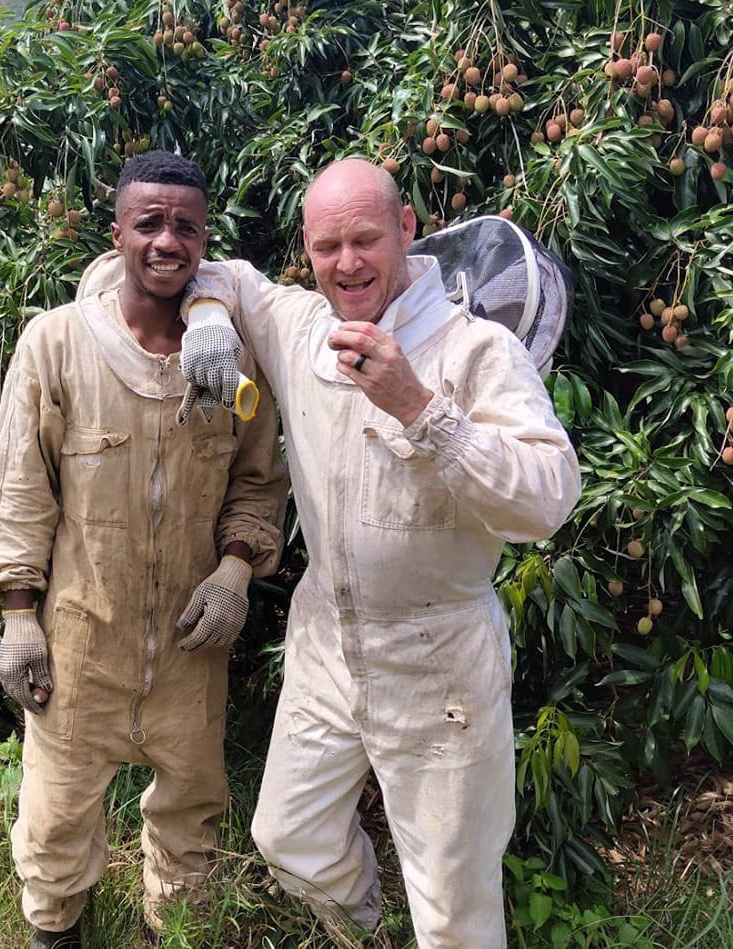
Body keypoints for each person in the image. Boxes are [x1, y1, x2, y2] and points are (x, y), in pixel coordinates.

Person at [84, 158, 581, 948]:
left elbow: (550, 496)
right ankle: (369, 934)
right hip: (326, 644)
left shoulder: (474, 348)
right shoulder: (301, 325)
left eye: (364, 239)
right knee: (290, 836)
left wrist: (422, 410)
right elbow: (195, 269)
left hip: (439, 656)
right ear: (307, 252)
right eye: (326, 246)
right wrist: (210, 316)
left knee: (453, 902)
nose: (346, 263)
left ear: (408, 229)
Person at [0, 151, 288, 949]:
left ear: (204, 239)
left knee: (191, 829)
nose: (166, 241)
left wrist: (234, 571)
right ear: (115, 233)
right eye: (148, 222)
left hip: (192, 649)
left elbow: (259, 482)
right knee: (54, 824)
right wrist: (18, 614)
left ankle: (169, 935)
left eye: (185, 225)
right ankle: (56, 935)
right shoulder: (55, 344)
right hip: (81, 643)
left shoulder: (231, 360)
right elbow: (19, 486)